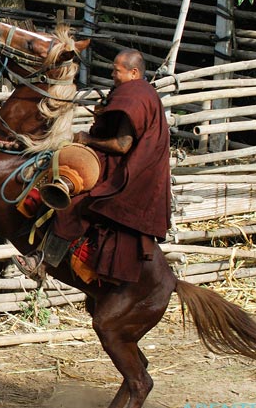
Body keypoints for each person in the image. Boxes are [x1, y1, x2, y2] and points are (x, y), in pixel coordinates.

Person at [13, 48, 171, 283]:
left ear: (134, 72)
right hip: (131, 169)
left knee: (73, 205)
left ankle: (43, 263)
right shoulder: (141, 92)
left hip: (131, 177)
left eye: (117, 71)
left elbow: (123, 144)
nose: (112, 75)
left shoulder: (135, 95)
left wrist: (87, 139)